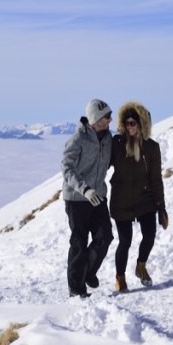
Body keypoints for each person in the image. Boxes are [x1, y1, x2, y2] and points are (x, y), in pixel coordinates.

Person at [109, 101, 166, 291]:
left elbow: (156, 179)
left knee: (149, 235)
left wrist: (161, 207)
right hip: (121, 200)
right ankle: (120, 278)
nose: (129, 126)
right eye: (127, 123)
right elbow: (101, 164)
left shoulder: (151, 148)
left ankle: (141, 266)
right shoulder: (116, 144)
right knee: (125, 241)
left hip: (144, 199)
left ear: (142, 124)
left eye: (133, 123)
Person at [61, 98, 114, 298]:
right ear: (95, 118)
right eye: (106, 116)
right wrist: (85, 189)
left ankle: (88, 272)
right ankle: (76, 289)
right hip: (76, 198)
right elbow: (67, 169)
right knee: (79, 242)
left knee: (105, 237)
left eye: (110, 116)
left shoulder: (108, 138)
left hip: (98, 195)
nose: (110, 120)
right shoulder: (78, 139)